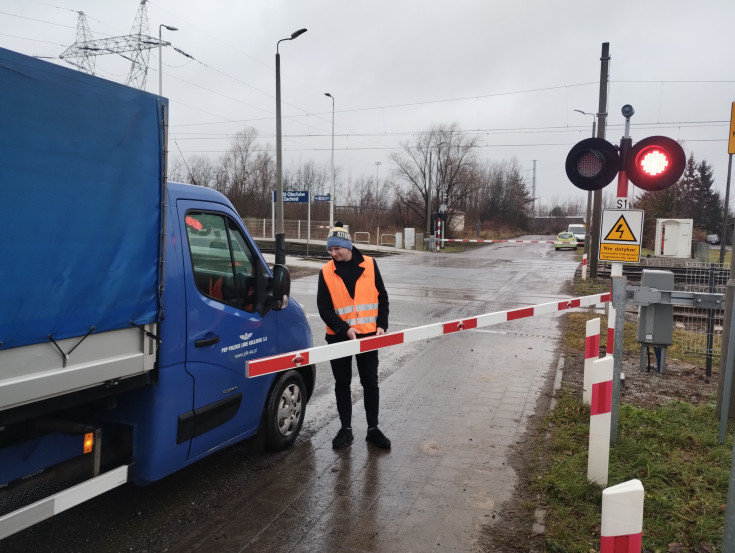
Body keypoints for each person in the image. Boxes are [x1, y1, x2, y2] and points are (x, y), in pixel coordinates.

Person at [317, 222, 391, 449]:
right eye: (329, 250)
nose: (333, 253)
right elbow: (324, 309)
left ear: (347, 245)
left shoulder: (369, 264)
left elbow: (382, 297)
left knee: (370, 382)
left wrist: (382, 324)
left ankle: (373, 429)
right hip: (339, 336)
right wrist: (344, 329)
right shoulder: (326, 271)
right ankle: (346, 429)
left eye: (336, 249)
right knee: (342, 383)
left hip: (368, 335)